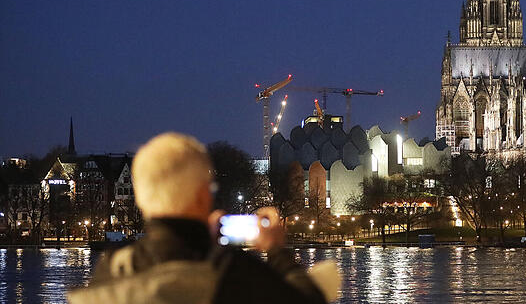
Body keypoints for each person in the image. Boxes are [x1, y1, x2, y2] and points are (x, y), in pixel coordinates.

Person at [68, 132, 337, 304]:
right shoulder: (231, 273)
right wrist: (277, 250)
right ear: (201, 196)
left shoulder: (111, 270)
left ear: (142, 198)